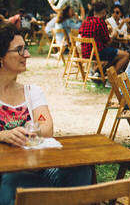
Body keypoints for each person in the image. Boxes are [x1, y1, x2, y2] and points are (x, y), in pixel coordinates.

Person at [0, 23, 92, 203]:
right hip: (6, 173)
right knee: (13, 182)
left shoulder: (32, 91)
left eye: (25, 49)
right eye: (19, 50)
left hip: (38, 168)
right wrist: (3, 134)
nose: (27, 54)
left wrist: (28, 131)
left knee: (81, 169)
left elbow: (47, 128)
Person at [78, 1, 130, 73]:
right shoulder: (100, 22)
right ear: (103, 12)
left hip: (85, 52)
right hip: (97, 53)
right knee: (125, 55)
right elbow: (108, 42)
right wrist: (114, 35)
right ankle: (111, 79)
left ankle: (98, 71)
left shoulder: (86, 21)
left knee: (114, 55)